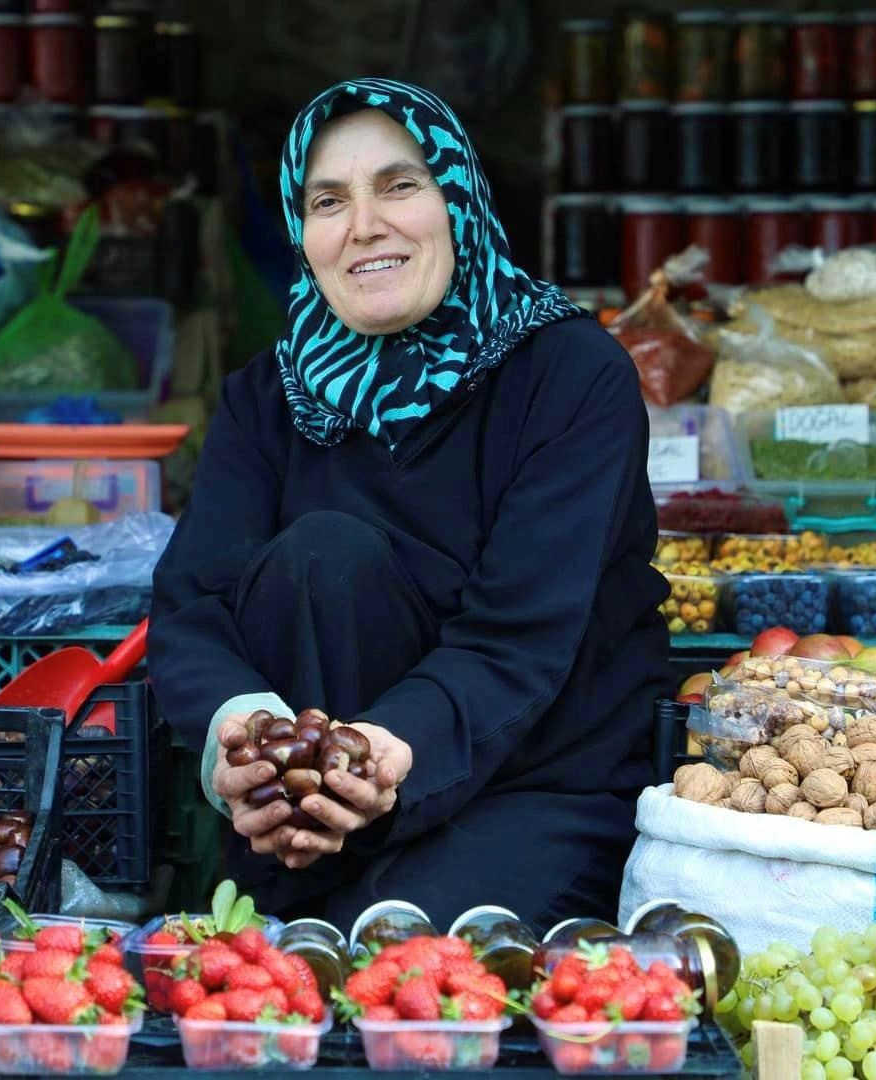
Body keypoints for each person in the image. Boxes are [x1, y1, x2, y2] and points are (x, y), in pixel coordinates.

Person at [148, 77, 674, 934]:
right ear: (301, 229)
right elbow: (193, 608)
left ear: (458, 198)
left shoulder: (572, 378)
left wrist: (387, 750)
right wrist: (245, 738)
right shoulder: (269, 398)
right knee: (323, 553)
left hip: (530, 787)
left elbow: (520, 636)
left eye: (400, 185)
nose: (365, 226)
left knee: (398, 977)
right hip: (305, 827)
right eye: (329, 200)